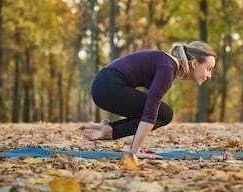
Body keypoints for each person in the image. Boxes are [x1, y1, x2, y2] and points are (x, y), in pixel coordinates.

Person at [82, 41, 216, 159]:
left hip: (104, 86)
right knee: (164, 114)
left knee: (163, 113)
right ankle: (112, 132)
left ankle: (109, 129)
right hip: (107, 87)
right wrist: (135, 151)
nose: (209, 75)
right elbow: (150, 112)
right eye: (208, 69)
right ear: (194, 63)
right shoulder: (167, 69)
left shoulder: (167, 65)